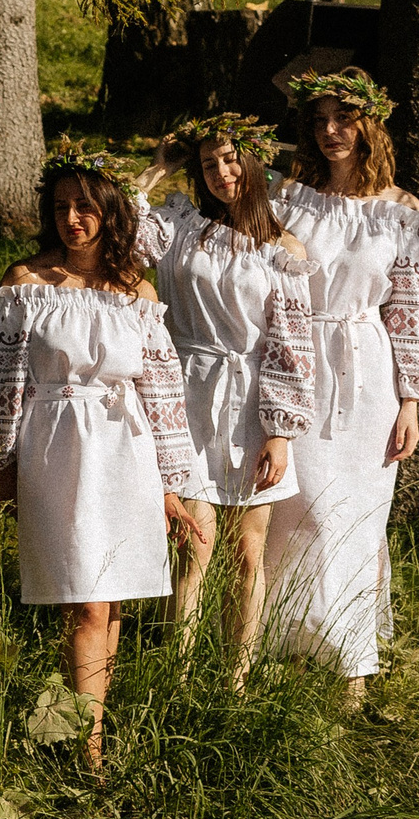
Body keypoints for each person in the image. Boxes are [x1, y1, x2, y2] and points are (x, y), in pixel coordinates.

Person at [0, 147, 199, 768]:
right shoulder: (26, 285)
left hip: (126, 449)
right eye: (62, 207)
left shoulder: (136, 291)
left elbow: (162, 390)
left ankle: (88, 732)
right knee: (85, 599)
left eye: (85, 206)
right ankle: (88, 749)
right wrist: (2, 460)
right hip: (57, 445)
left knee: (114, 597)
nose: (73, 218)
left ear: (109, 213)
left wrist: (171, 485)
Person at [263, 69, 419, 699]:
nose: (331, 131)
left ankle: (352, 665)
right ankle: (286, 644)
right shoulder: (290, 198)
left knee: (356, 519)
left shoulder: (399, 213)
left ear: (369, 124)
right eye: (319, 120)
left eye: (344, 118)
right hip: (296, 361)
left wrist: (412, 400)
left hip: (368, 375)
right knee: (294, 510)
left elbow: (412, 310)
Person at [128, 114, 318, 679]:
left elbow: (291, 345)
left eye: (231, 158)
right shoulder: (180, 225)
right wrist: (159, 167)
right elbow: (122, 231)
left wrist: (280, 432)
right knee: (194, 544)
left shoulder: (283, 250)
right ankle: (176, 674)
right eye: (208, 163)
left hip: (252, 402)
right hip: (185, 389)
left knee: (247, 552)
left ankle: (236, 679)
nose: (220, 172)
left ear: (255, 161)